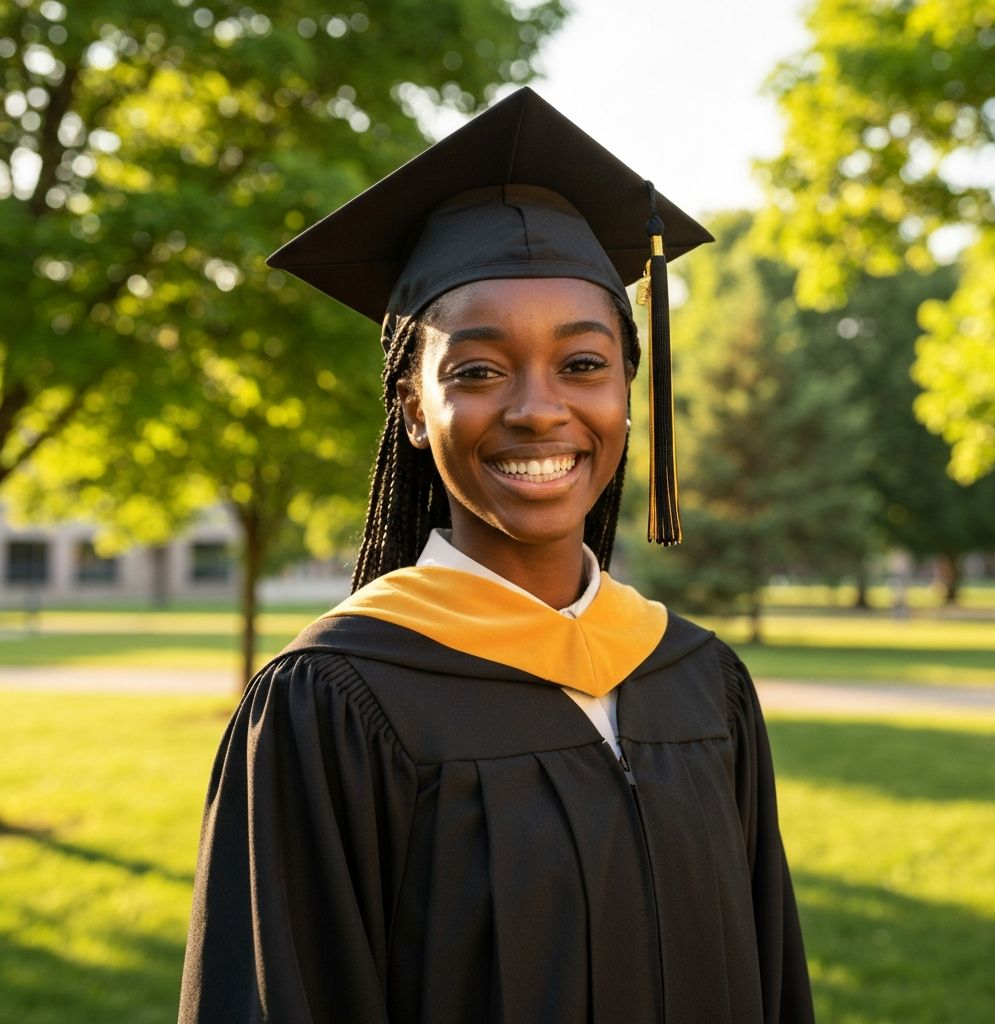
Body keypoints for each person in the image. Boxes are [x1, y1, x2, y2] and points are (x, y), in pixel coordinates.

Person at [177, 88, 815, 1024]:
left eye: (583, 363)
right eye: (476, 370)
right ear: (412, 410)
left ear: (630, 393)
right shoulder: (333, 706)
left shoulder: (702, 683)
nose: (538, 409)